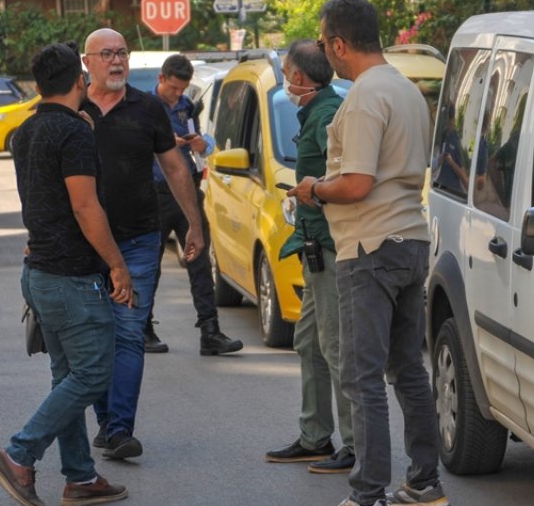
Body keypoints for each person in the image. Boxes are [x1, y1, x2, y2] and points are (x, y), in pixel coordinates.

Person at [289, 0, 449, 506]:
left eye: (322, 41)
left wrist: (313, 189)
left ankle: (367, 501)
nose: (323, 52)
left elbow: (355, 184)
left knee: (362, 376)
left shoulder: (361, 99)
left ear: (338, 44)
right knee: (407, 368)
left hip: (369, 247)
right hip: (410, 239)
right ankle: (424, 483)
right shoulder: (407, 90)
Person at [0, 42, 132, 506]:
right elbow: (85, 207)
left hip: (39, 273)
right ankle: (19, 455)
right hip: (70, 277)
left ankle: (81, 477)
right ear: (79, 81)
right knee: (93, 374)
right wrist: (117, 265)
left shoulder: (26, 131)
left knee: (67, 376)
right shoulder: (74, 134)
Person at [80, 28, 205, 461]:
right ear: (87, 61)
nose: (117, 61)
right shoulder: (72, 109)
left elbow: (174, 168)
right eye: (107, 54)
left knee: (129, 333)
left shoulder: (147, 107)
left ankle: (118, 430)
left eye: (122, 54)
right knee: (97, 338)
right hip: (84, 245)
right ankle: (105, 421)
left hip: (137, 240)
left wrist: (195, 223)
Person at [265, 40, 355, 474]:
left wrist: (314, 192)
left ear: (299, 78)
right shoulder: (320, 111)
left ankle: (355, 446)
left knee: (335, 348)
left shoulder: (327, 116)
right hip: (316, 246)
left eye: (286, 73)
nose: (286, 80)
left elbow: (349, 179)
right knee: (309, 342)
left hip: (333, 247)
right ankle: (315, 436)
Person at [143, 54, 243, 356]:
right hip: (156, 193)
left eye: (181, 89)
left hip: (187, 191)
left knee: (200, 260)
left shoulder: (186, 106)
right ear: (161, 79)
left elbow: (202, 146)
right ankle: (143, 328)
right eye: (173, 88)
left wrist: (201, 144)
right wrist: (162, 142)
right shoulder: (146, 108)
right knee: (150, 265)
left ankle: (210, 332)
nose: (177, 94)